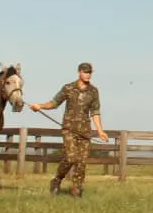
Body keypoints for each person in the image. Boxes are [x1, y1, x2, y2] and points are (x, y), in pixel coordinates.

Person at [28, 61, 108, 197]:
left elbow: (95, 112)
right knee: (71, 158)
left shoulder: (94, 91)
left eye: (89, 72)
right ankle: (57, 180)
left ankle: (76, 189)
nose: (88, 75)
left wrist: (100, 131)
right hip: (69, 129)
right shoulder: (68, 88)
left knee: (81, 162)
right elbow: (54, 103)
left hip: (85, 131)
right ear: (79, 72)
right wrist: (39, 106)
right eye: (85, 72)